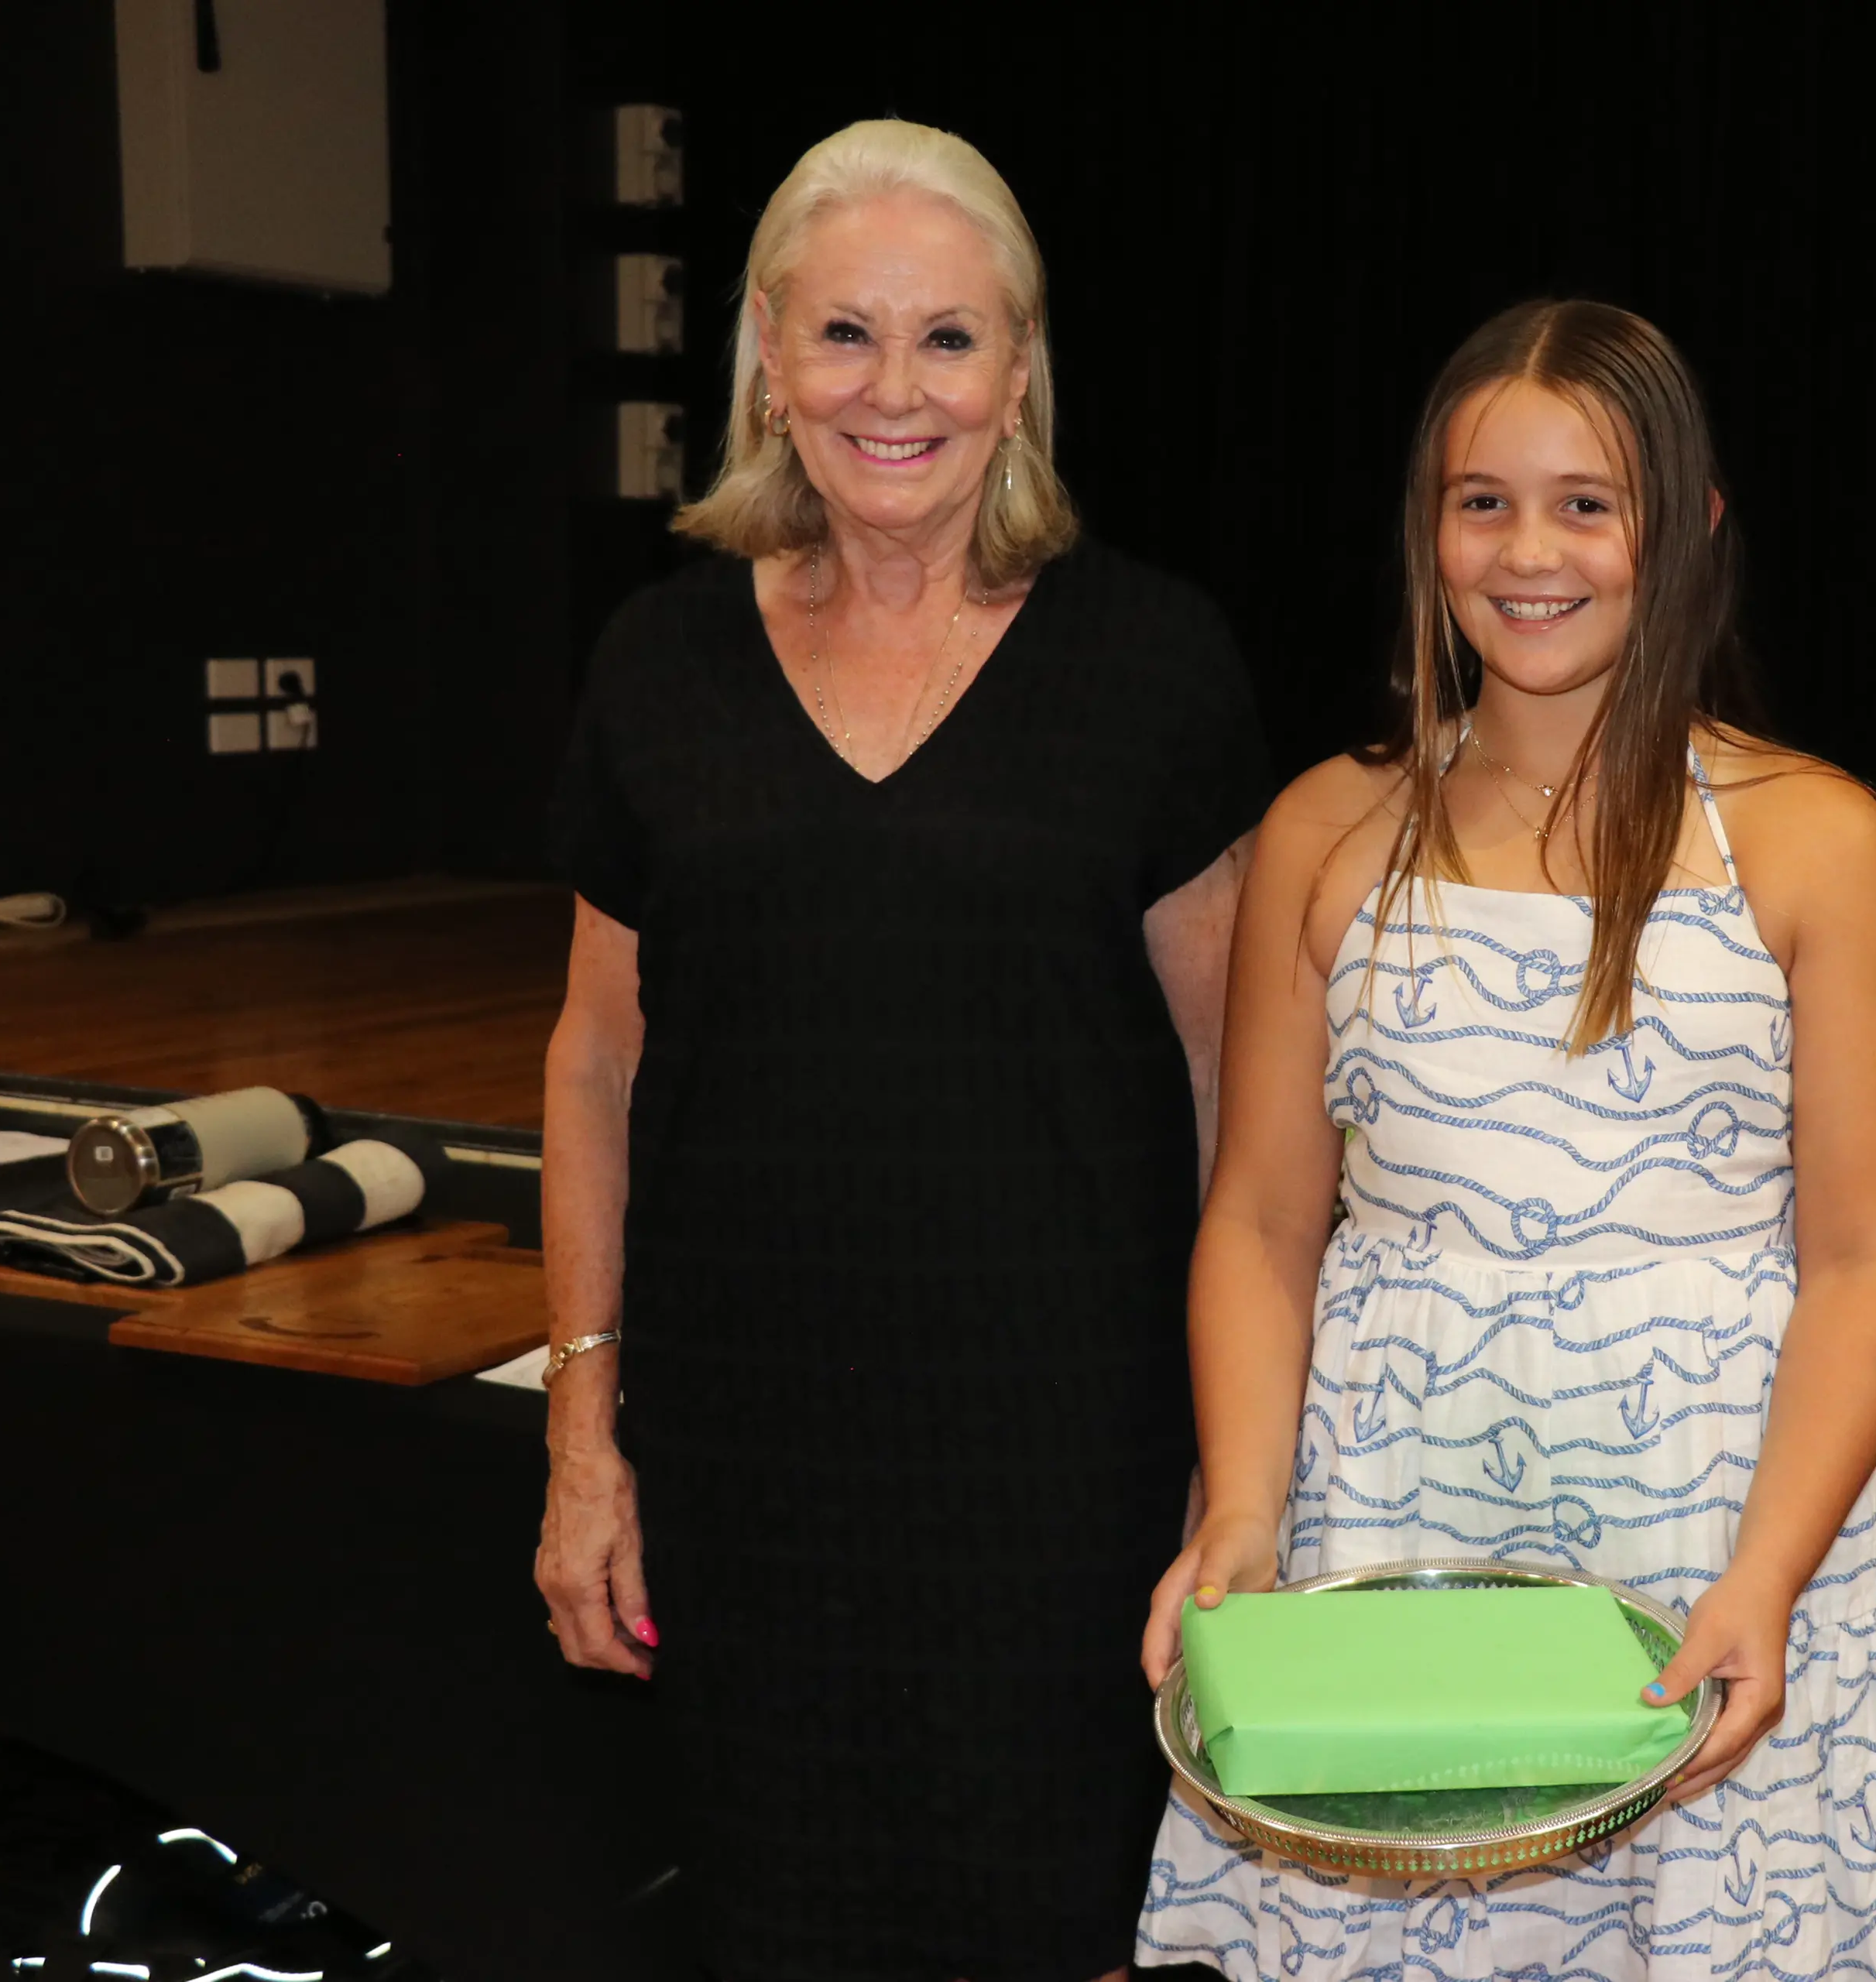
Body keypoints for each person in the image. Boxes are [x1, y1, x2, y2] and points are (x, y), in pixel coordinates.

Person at [534, 120, 1271, 1982]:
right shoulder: (656, 661)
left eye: (950, 338)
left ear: (1020, 370)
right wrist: (581, 1439)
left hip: (1065, 1483)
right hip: (745, 1474)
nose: (895, 389)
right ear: (768, 358)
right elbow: (593, 1066)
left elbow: (1236, 1103)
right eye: (846, 332)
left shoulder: (1156, 665)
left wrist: (1234, 1465)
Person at [1137, 300, 1876, 1973]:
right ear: (1428, 529)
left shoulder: (1818, 842)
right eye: (1480, 499)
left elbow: (1867, 1257)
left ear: (1689, 527)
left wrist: (1768, 1575)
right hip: (1398, 1512)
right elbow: (1265, 1223)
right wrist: (1240, 1508)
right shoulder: (1327, 828)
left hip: (1710, 1527)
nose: (1530, 551)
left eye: (1589, 501)